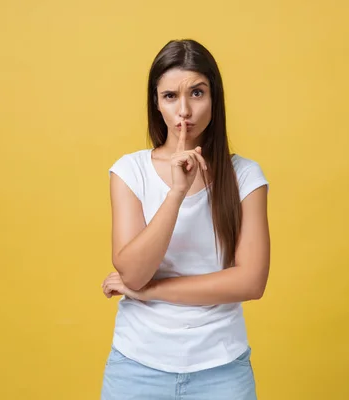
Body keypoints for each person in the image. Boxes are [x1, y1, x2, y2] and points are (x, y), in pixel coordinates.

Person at [99, 39, 270, 400]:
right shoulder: (130, 171)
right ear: (156, 103)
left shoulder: (246, 177)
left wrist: (150, 292)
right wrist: (176, 192)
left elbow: (251, 282)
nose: (184, 111)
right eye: (170, 96)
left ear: (214, 98)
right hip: (137, 367)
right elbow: (133, 272)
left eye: (197, 92)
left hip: (222, 370)